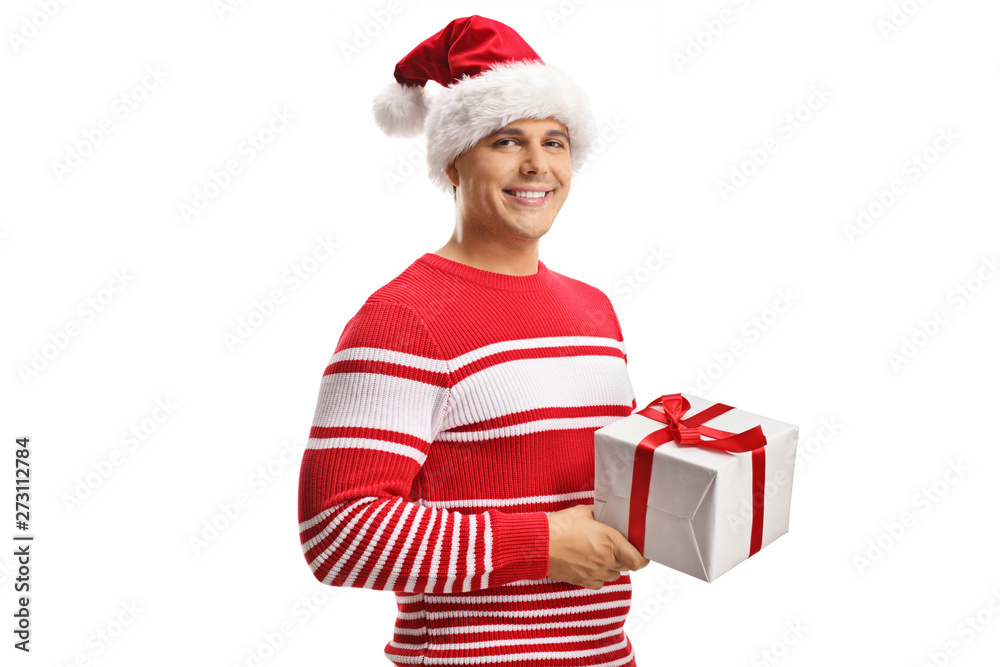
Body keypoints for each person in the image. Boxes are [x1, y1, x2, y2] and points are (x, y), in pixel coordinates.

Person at [297, 15, 649, 666]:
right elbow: (336, 531)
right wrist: (539, 542)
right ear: (454, 161)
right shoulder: (402, 319)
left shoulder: (596, 310)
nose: (538, 165)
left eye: (556, 141)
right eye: (506, 141)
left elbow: (593, 493)